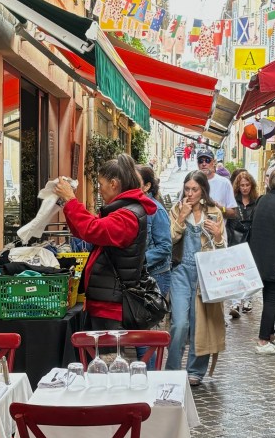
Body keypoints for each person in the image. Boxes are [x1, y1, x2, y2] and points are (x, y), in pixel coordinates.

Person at [55, 154, 156, 330]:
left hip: (112, 307)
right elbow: (87, 230)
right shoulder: (124, 210)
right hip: (107, 302)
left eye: (101, 184)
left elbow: (93, 229)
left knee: (106, 349)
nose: (99, 190)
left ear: (114, 184)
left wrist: (71, 200)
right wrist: (68, 204)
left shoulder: (127, 216)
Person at [166, 170, 226, 386]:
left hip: (205, 275)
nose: (189, 193)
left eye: (194, 189)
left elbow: (222, 249)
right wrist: (181, 218)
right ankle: (172, 369)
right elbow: (168, 241)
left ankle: (195, 371)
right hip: (180, 271)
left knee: (201, 323)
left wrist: (217, 235)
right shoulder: (176, 210)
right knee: (180, 323)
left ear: (203, 191)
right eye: (187, 189)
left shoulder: (214, 213)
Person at [248, 167, 275, 355]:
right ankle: (263, 340)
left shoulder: (263, 200)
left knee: (268, 297)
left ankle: (270, 335)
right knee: (271, 300)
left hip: (260, 260)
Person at [136, 165, 173, 296]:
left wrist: (138, 260)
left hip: (156, 276)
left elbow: (165, 246)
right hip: (138, 274)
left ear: (146, 186)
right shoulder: (132, 207)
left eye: (135, 181)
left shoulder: (157, 210)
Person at [227, 170, 259, 318]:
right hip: (235, 240)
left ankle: (247, 300)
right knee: (235, 272)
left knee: (249, 271)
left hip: (251, 240)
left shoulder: (256, 202)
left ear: (251, 186)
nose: (245, 188)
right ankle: (235, 302)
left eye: (247, 185)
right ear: (238, 187)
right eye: (242, 185)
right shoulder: (233, 202)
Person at [196, 148, 237, 219]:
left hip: (218, 225)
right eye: (201, 161)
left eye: (207, 160)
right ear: (198, 164)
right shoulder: (191, 181)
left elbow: (233, 213)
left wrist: (219, 208)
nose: (204, 164)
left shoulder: (224, 183)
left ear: (214, 162)